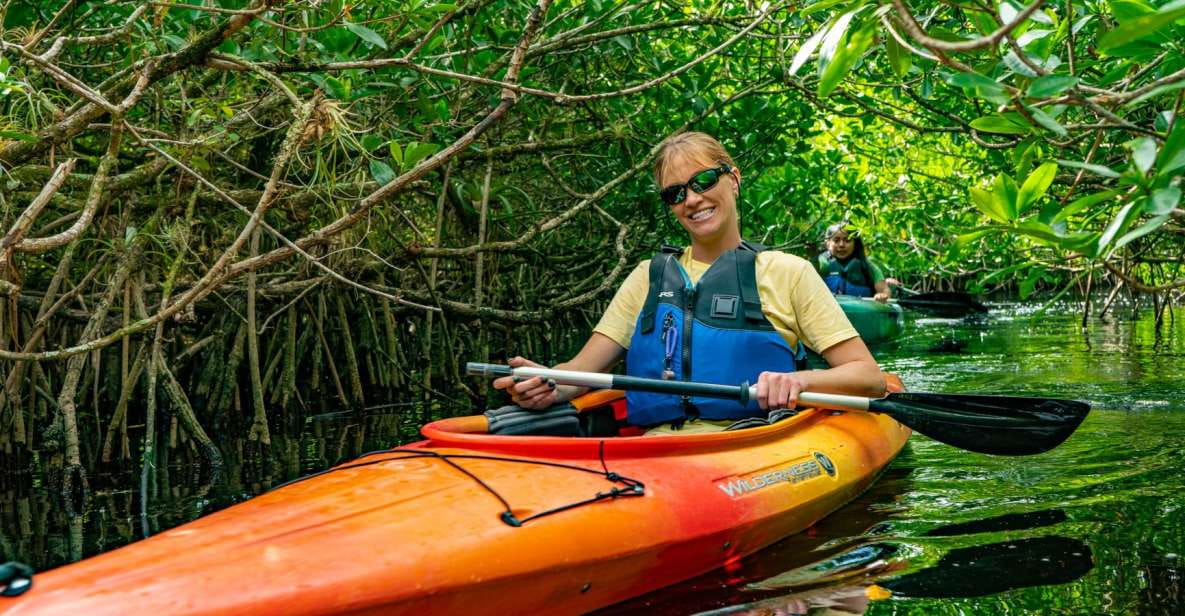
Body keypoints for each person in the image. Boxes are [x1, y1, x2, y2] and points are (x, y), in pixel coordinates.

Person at [493, 132, 885, 434]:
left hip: (752, 441)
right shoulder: (646, 276)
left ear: (733, 179)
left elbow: (867, 377)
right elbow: (579, 373)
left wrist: (798, 380)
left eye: (703, 181)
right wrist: (547, 384)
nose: (692, 199)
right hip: (656, 449)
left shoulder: (787, 272)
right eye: (675, 193)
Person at [817, 223, 898, 303]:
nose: (841, 245)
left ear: (855, 244)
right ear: (827, 243)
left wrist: (882, 296)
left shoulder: (868, 267)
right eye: (836, 240)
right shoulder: (821, 263)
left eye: (847, 240)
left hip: (862, 313)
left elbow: (884, 290)